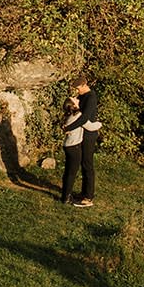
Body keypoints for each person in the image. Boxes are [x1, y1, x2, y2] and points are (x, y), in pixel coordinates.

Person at [60, 73, 101, 207]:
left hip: (89, 134)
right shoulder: (82, 97)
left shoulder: (91, 97)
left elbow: (84, 119)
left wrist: (68, 128)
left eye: (78, 89)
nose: (77, 92)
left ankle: (88, 197)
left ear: (84, 85)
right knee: (83, 164)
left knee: (87, 165)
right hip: (82, 134)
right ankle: (83, 193)